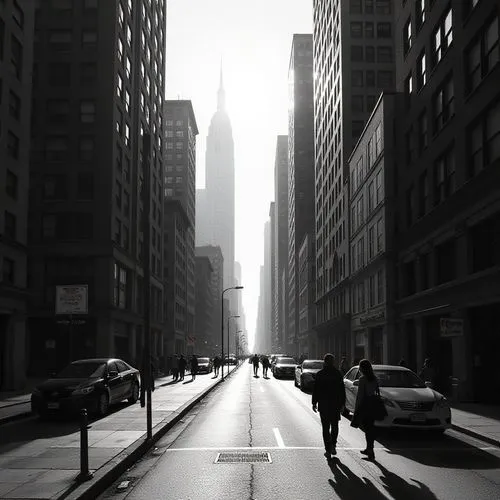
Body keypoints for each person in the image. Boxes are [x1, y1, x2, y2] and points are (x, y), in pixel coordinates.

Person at [312, 353, 346, 460]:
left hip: (324, 404)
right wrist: (342, 404)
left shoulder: (320, 374)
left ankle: (328, 448)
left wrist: (314, 402)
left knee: (326, 427)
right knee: (335, 425)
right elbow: (342, 390)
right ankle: (333, 444)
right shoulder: (338, 373)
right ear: (333, 362)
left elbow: (316, 389)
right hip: (335, 404)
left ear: (325, 362)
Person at [353, 359, 380, 460]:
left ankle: (370, 450)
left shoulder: (362, 379)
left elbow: (360, 396)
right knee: (370, 427)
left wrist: (356, 409)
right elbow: (376, 392)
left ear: (362, 368)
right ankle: (369, 448)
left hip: (365, 405)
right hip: (373, 404)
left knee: (367, 429)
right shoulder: (375, 378)